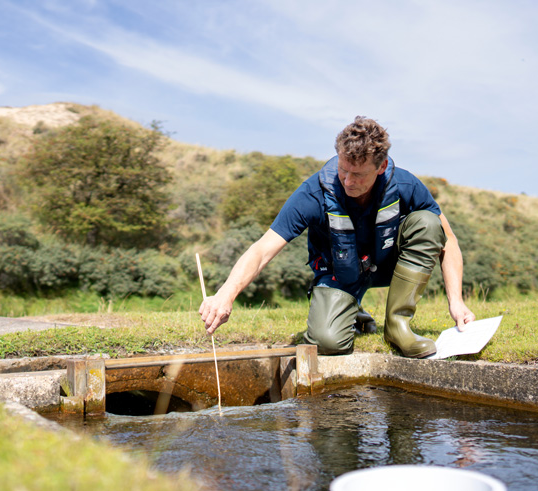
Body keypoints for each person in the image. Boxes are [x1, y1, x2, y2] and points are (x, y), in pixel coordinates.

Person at [199, 116, 474, 357]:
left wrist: (456, 301)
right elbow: (263, 248)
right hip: (340, 273)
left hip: (388, 264)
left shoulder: (405, 184)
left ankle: (397, 326)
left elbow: (447, 240)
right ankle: (350, 309)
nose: (348, 181)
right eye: (343, 170)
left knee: (428, 223)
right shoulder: (313, 193)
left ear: (381, 167)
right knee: (328, 342)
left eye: (359, 174)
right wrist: (226, 294)